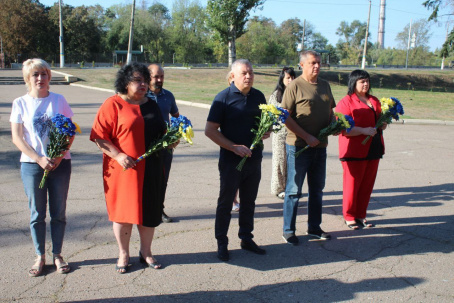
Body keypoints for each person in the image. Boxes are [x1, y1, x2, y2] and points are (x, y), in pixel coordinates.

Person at [90, 63, 177, 273]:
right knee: (123, 213)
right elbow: (99, 136)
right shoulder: (113, 104)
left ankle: (146, 252)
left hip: (153, 168)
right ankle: (123, 253)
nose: (143, 84)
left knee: (149, 211)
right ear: (125, 82)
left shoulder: (152, 105)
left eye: (145, 80)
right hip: (124, 171)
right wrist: (118, 155)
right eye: (138, 80)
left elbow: (162, 132)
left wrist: (170, 141)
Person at [10, 58, 73, 277]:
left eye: (44, 74)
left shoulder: (59, 100)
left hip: (60, 164)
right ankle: (40, 256)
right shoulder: (20, 103)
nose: (40, 78)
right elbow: (17, 138)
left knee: (58, 212)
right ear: (28, 78)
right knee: (37, 213)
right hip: (32, 166)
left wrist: (58, 155)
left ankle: (57, 254)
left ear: (49, 77)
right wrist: (39, 158)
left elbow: (69, 132)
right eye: (35, 75)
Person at [205, 59, 271, 261]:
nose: (248, 76)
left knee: (249, 201)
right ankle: (222, 242)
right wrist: (233, 147)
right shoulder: (223, 98)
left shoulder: (258, 96)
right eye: (244, 73)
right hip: (231, 160)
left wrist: (266, 130)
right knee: (226, 202)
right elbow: (210, 130)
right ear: (233, 76)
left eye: (251, 72)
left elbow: (264, 123)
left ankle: (246, 238)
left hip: (253, 158)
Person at [281, 50, 336, 245]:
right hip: (298, 147)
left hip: (320, 147)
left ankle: (314, 228)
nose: (317, 66)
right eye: (313, 62)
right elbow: (285, 116)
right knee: (294, 190)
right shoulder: (295, 86)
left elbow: (330, 111)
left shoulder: (325, 85)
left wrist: (335, 125)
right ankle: (288, 230)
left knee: (317, 189)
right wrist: (306, 136)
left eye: (319, 62)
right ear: (302, 65)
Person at [335, 69, 386, 230]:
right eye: (362, 81)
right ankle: (349, 216)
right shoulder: (346, 102)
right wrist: (364, 130)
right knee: (352, 185)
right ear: (353, 83)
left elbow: (380, 122)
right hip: (354, 150)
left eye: (367, 81)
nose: (365, 84)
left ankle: (361, 215)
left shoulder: (374, 100)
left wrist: (384, 122)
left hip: (374, 148)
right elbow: (343, 128)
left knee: (367, 185)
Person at [147, 64, 179, 223]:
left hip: (165, 146)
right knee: (145, 180)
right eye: (156, 77)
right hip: (145, 145)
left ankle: (159, 209)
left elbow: (176, 117)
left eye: (162, 76)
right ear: (148, 77)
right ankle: (144, 210)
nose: (159, 80)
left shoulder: (168, 96)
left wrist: (176, 135)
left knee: (162, 179)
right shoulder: (141, 95)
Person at [269, 67, 296, 199]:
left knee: (291, 162)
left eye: (292, 77)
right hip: (280, 133)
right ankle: (279, 188)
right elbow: (274, 114)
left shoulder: (297, 92)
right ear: (282, 79)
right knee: (280, 160)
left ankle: (290, 187)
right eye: (288, 78)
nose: (290, 80)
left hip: (294, 133)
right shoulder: (276, 95)